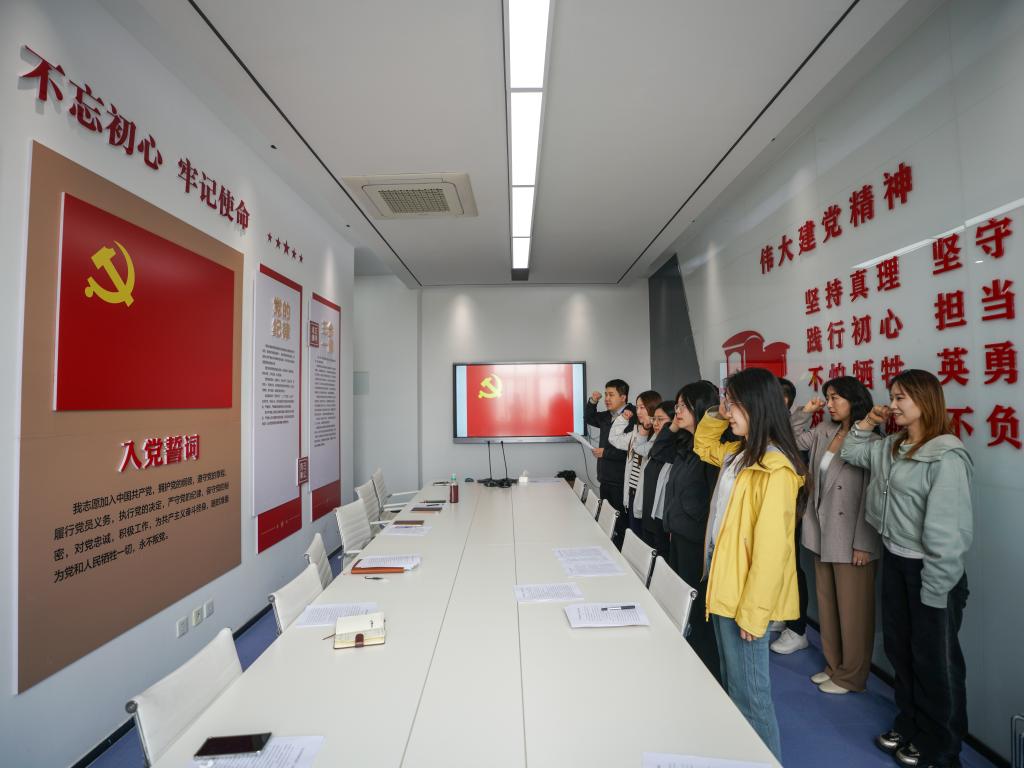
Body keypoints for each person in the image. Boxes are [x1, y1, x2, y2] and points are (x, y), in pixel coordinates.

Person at [841, 370, 972, 768]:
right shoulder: (891, 446)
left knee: (935, 661)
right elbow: (851, 451)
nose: (893, 405)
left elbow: (949, 533)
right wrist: (868, 421)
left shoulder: (945, 455)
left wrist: (936, 588)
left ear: (925, 401)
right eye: (892, 397)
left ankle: (941, 746)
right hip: (896, 561)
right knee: (901, 650)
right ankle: (911, 723)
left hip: (931, 571)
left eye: (901, 398)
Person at [693, 368, 806, 762]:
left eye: (734, 404)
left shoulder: (776, 469)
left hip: (745, 594)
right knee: (733, 684)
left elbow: (773, 552)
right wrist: (716, 412)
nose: (729, 412)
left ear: (757, 406)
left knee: (752, 697)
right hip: (723, 579)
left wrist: (755, 613)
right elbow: (703, 444)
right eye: (727, 403)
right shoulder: (739, 454)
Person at [791, 376, 880, 694]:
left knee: (854, 612)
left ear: (853, 400)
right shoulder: (824, 431)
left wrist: (864, 543)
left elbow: (871, 497)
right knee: (828, 605)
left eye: (835, 398)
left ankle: (851, 676)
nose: (829, 404)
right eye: (827, 398)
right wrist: (804, 412)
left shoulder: (870, 441)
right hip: (822, 531)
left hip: (852, 538)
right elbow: (791, 439)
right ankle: (834, 666)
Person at [660, 380, 722, 682]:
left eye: (683, 406)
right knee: (681, 603)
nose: (677, 411)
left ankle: (704, 675)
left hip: (697, 540)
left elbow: (713, 501)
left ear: (701, 407)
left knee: (696, 610)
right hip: (679, 532)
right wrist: (673, 426)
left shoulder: (712, 450)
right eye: (676, 405)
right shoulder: (686, 443)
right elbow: (658, 450)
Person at [770, 375, 811, 654]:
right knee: (778, 563)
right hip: (778, 506)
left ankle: (797, 629)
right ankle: (782, 614)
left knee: (792, 565)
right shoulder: (773, 426)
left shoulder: (791, 429)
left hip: (791, 507)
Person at [608, 389, 661, 547]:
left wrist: (645, 431)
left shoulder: (659, 435)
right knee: (635, 539)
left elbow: (643, 450)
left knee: (645, 543)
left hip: (647, 497)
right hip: (632, 493)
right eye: (637, 407)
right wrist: (622, 419)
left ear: (653, 407)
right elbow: (614, 439)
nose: (638, 411)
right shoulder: (637, 431)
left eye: (642, 407)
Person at [584, 380, 631, 515]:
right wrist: (593, 401)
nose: (607, 399)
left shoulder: (631, 416)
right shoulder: (607, 415)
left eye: (611, 395)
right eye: (606, 395)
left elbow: (631, 451)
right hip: (605, 477)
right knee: (606, 518)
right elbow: (589, 418)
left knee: (620, 520)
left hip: (621, 480)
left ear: (623, 397)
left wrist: (605, 453)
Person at [637, 401, 675, 555]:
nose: (656, 423)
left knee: (661, 559)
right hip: (648, 516)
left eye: (661, 419)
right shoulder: (656, 445)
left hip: (662, 519)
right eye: (654, 419)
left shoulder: (675, 448)